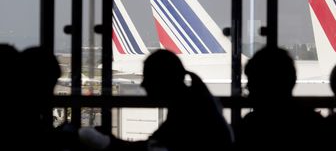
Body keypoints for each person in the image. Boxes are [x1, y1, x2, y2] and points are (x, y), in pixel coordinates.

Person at [82, 49, 233, 151]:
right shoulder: (193, 103)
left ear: (162, 80)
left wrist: (107, 142)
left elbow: (154, 145)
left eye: (148, 78)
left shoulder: (188, 110)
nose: (143, 84)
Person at [234, 46, 323, 151]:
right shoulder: (314, 123)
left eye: (252, 84)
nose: (247, 90)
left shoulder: (250, 126)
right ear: (292, 81)